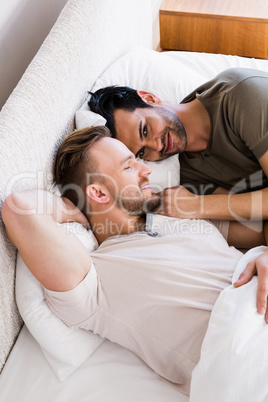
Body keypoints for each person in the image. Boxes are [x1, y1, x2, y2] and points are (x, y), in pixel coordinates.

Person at [1, 126, 267, 395]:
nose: (147, 170)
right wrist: (69, 210)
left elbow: (261, 231)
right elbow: (19, 208)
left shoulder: (177, 213)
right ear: (99, 193)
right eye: (129, 166)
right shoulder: (94, 280)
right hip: (249, 351)